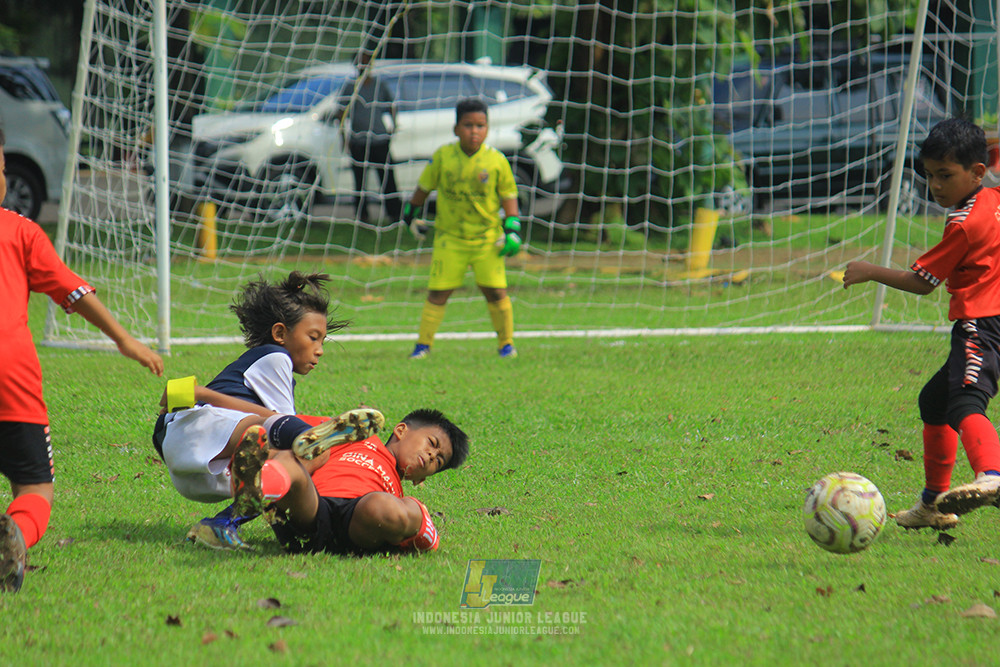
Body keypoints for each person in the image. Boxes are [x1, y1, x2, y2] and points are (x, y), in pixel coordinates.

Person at [0, 127, 165, 593]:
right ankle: (16, 535)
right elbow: (72, 289)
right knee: (34, 487)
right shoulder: (19, 230)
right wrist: (123, 339)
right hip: (10, 372)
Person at [843, 117, 1000, 530]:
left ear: (976, 172)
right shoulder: (994, 197)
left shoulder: (964, 225)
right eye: (930, 176)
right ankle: (932, 504)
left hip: (981, 324)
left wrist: (870, 270)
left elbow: (923, 282)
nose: (935, 186)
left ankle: (992, 476)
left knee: (967, 401)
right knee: (934, 402)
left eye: (945, 176)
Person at [151, 271, 381, 549]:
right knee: (287, 438)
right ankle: (313, 436)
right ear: (280, 333)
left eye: (323, 341)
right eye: (313, 337)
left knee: (281, 467)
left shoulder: (273, 364)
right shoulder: (276, 356)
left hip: (199, 469)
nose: (320, 350)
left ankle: (223, 523)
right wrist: (203, 394)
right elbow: (277, 422)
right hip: (195, 428)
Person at [231, 408, 468, 555]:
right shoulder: (352, 434)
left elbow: (380, 507)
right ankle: (256, 486)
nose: (430, 456)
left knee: (386, 507)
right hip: (311, 508)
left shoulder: (392, 490)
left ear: (421, 480)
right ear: (401, 430)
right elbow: (295, 434)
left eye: (438, 461)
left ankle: (421, 524)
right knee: (291, 460)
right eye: (432, 444)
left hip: (360, 521)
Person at [402, 97, 522, 359]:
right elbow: (424, 188)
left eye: (480, 125)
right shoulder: (444, 157)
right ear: (456, 128)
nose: (474, 131)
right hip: (450, 239)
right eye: (468, 125)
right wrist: (410, 213)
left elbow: (509, 197)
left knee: (496, 291)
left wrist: (513, 229)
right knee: (438, 292)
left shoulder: (496, 161)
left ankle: (506, 344)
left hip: (487, 239)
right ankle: (422, 346)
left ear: (488, 128)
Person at [339, 53, 401, 223]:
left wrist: (393, 126)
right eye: (359, 63)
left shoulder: (379, 85)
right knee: (360, 181)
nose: (363, 66)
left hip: (380, 140)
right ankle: (362, 215)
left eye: (366, 62)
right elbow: (341, 113)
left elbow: (392, 105)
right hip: (359, 142)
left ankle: (395, 213)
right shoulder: (350, 87)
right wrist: (343, 137)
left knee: (388, 179)